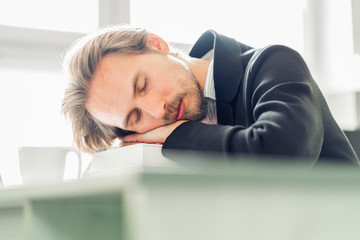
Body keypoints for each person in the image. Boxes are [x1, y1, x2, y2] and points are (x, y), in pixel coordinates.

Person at [61, 25, 359, 166]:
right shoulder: (160, 147)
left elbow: (284, 151)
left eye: (142, 85)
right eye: (135, 116)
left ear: (157, 44)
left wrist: (180, 134)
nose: (157, 109)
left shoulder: (273, 63)